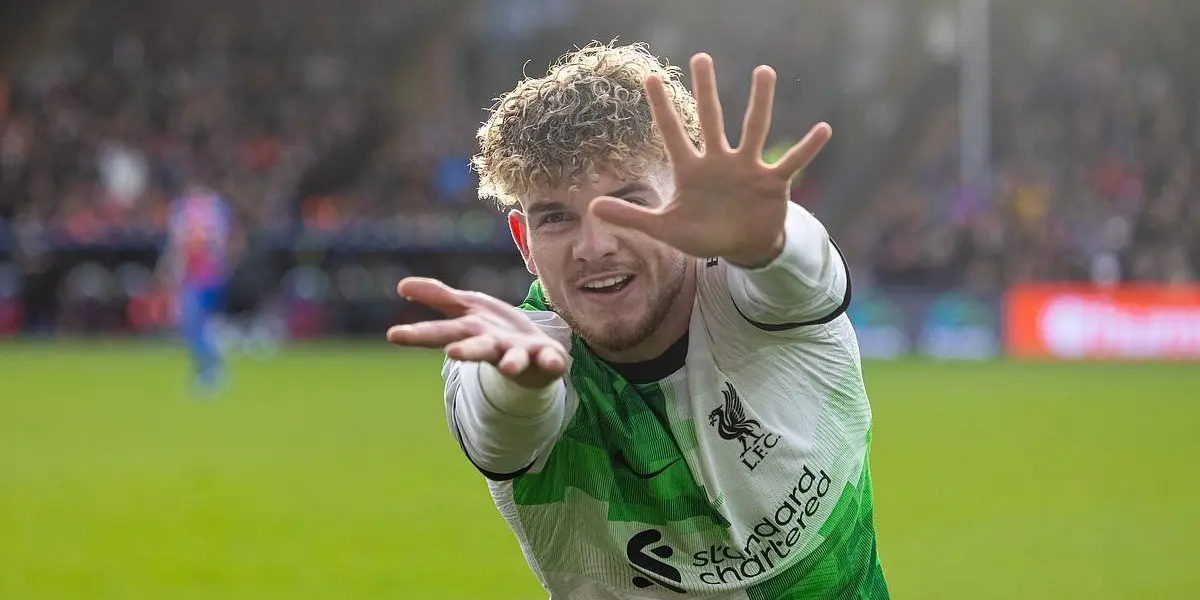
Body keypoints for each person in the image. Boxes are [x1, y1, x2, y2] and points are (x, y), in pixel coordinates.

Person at [388, 42, 888, 599]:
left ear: (690, 202)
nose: (594, 246)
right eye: (556, 218)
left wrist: (771, 236)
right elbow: (501, 430)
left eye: (628, 202)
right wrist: (520, 382)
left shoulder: (753, 288)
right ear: (525, 244)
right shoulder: (515, 345)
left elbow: (802, 273)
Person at [158, 184, 239, 394]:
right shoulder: (188, 212)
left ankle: (211, 370)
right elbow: (178, 248)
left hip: (206, 277)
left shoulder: (213, 211)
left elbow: (221, 244)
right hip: (193, 277)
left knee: (196, 323)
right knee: (193, 325)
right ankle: (208, 369)